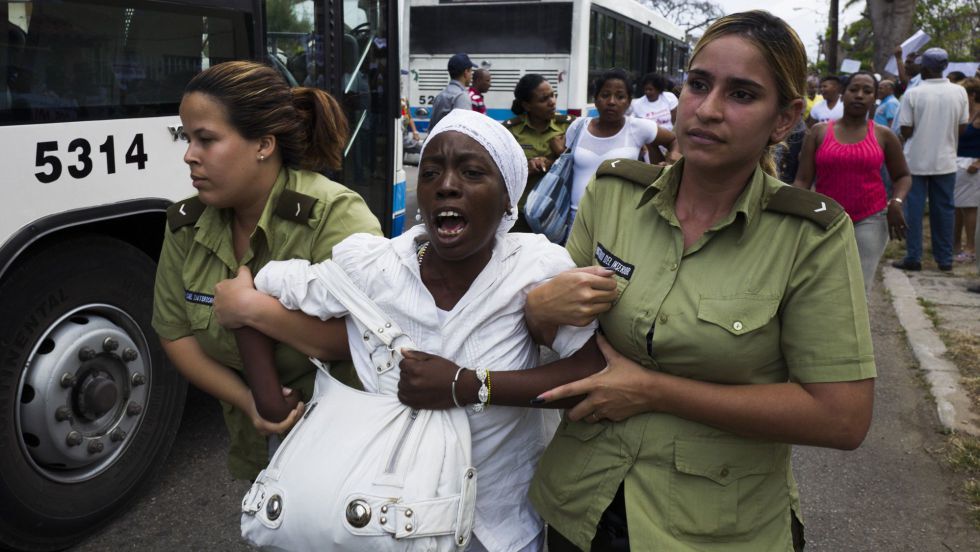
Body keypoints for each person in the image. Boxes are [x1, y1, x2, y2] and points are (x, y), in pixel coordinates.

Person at [523, 11, 876, 551]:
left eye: (741, 94)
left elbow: (841, 417)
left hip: (714, 528)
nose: (707, 109)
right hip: (580, 505)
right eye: (699, 84)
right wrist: (540, 310)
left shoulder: (811, 236)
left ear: (782, 121)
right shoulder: (613, 196)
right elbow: (566, 334)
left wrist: (654, 391)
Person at [214, 109, 604, 552]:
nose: (446, 185)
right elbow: (247, 290)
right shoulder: (374, 265)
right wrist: (265, 395)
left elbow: (590, 374)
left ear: (507, 200)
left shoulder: (534, 269)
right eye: (432, 171)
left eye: (472, 172)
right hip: (378, 523)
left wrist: (467, 385)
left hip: (493, 527)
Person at [151, 60, 382, 480]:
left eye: (206, 139)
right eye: (187, 138)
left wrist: (255, 311)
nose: (189, 156)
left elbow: (373, 338)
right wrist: (248, 400)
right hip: (258, 449)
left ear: (263, 144)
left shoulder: (333, 214)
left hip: (347, 450)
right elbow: (176, 332)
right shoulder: (185, 223)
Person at [793, 70, 912, 293]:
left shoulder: (883, 135)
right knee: (822, 287)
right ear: (843, 93)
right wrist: (794, 212)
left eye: (867, 91)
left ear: (874, 98)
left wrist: (895, 201)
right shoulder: (818, 133)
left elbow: (902, 176)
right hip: (823, 217)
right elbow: (802, 179)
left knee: (857, 288)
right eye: (854, 89)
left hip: (870, 219)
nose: (859, 95)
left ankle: (857, 328)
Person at [892, 48, 970, 272]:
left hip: (916, 160)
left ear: (925, 67)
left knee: (914, 211)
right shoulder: (959, 92)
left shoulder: (914, 93)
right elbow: (962, 127)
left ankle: (913, 257)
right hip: (946, 159)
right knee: (944, 210)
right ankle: (945, 259)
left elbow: (905, 129)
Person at [569, 68, 679, 217]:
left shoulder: (638, 127)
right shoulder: (578, 127)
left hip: (620, 221)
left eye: (620, 96)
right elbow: (565, 161)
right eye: (605, 95)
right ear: (595, 99)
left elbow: (674, 139)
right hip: (575, 218)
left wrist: (672, 157)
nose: (611, 102)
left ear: (628, 102)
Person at [503, 73, 576, 232]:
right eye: (544, 99)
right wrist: (526, 169)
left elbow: (582, 166)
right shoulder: (511, 131)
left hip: (558, 212)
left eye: (553, 96)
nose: (552, 102)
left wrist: (560, 153)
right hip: (521, 213)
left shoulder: (568, 127)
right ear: (527, 105)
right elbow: (500, 172)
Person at [954, 78, 980, 265]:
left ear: (973, 95)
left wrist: (978, 163)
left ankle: (971, 247)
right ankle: (955, 244)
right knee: (956, 207)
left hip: (972, 165)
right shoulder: (964, 114)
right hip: (957, 162)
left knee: (970, 207)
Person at [429, 52, 475, 130]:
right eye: (471, 71)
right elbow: (463, 131)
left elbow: (432, 126)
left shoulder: (441, 95)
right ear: (466, 72)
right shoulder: (461, 96)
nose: (471, 75)